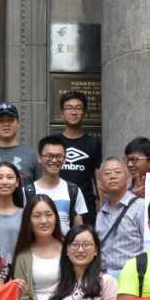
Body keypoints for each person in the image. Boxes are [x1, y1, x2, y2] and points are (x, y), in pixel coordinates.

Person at [95, 157, 145, 280]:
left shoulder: (141, 207)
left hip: (132, 277)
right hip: (104, 278)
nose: (112, 176)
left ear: (128, 177)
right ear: (100, 181)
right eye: (107, 173)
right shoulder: (101, 214)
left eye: (117, 172)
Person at [57, 91, 101, 222]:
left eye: (78, 108)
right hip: (58, 203)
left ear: (84, 113)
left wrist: (102, 206)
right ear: (62, 113)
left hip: (86, 206)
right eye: (69, 108)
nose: (73, 112)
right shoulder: (54, 142)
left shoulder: (94, 143)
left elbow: (98, 178)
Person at [31, 134, 86, 228]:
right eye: (49, 156)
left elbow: (79, 229)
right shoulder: (28, 192)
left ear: (65, 159)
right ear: (39, 158)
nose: (54, 160)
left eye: (59, 156)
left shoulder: (73, 191)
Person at [0, 102, 40, 183]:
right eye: (1, 121)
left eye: (11, 120)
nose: (6, 124)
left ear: (18, 122)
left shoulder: (33, 156)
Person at [0, 161, 25, 265]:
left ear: (17, 182)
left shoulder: (26, 214)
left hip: (18, 269)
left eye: (10, 177)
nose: (4, 182)